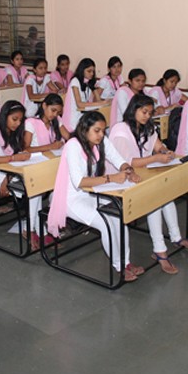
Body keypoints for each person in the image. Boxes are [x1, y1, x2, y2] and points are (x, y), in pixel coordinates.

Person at [47, 111, 143, 282]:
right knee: (106, 224)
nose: (101, 134)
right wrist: (111, 178)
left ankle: (126, 262)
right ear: (85, 130)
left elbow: (118, 159)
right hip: (72, 198)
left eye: (103, 130)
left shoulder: (100, 140)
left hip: (92, 193)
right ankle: (118, 266)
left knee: (120, 217)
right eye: (97, 130)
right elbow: (79, 182)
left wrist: (129, 171)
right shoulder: (73, 145)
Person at [109, 95, 188, 274]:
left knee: (166, 196)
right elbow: (128, 162)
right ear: (133, 109)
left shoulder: (146, 127)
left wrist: (165, 151)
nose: (147, 116)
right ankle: (160, 251)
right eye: (144, 112)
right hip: (120, 179)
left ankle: (176, 237)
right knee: (155, 201)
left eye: (149, 112)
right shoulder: (120, 130)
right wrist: (157, 158)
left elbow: (157, 146)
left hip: (142, 174)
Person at [23, 94, 70, 249]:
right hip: (34, 166)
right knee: (35, 194)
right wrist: (49, 147)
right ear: (44, 106)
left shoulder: (56, 121)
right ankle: (32, 230)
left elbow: (68, 137)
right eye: (52, 110)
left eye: (58, 112)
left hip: (50, 164)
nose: (55, 114)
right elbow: (26, 148)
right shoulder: (31, 122)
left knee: (57, 190)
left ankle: (43, 229)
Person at [61, 58, 107, 132]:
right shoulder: (75, 81)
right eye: (89, 71)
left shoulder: (88, 82)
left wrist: (93, 87)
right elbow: (79, 104)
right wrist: (101, 103)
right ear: (82, 71)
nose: (92, 73)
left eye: (93, 71)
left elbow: (98, 100)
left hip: (83, 116)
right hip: (73, 119)